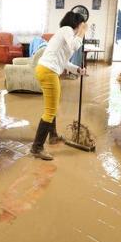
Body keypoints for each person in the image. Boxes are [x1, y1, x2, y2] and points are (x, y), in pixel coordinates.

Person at [31, 11, 87, 160]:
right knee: (50, 111)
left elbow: (64, 61)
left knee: (52, 106)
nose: (82, 28)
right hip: (48, 72)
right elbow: (75, 46)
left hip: (47, 70)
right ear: (77, 24)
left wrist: (78, 70)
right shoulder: (67, 30)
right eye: (81, 25)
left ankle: (53, 136)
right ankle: (37, 147)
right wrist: (82, 32)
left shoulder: (64, 34)